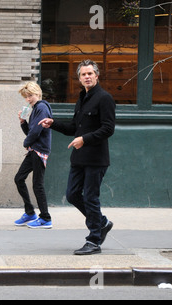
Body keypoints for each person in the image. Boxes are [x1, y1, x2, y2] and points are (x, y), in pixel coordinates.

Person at [39, 59, 115, 255]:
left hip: (96, 159)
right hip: (79, 158)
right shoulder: (82, 99)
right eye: (83, 74)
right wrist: (52, 123)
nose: (87, 77)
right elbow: (74, 127)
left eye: (90, 73)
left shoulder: (104, 98)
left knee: (90, 197)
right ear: (79, 78)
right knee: (73, 194)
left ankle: (94, 240)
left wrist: (84, 139)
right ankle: (102, 222)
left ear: (97, 76)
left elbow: (108, 128)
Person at [13, 82, 53, 229]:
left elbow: (35, 132)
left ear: (38, 93)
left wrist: (26, 142)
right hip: (34, 150)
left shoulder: (41, 107)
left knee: (38, 184)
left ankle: (45, 218)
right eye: (26, 97)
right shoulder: (36, 108)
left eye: (30, 96)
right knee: (19, 179)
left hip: (39, 150)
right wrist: (23, 122)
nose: (28, 99)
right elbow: (31, 131)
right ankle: (30, 213)